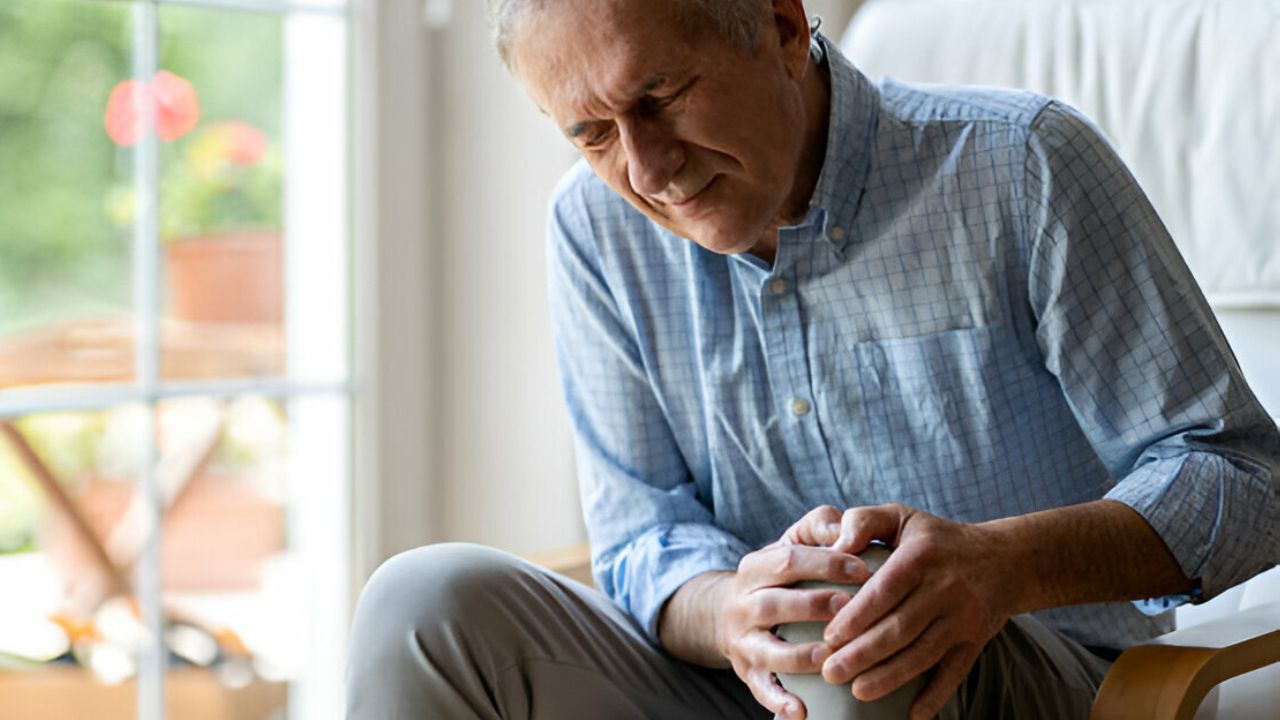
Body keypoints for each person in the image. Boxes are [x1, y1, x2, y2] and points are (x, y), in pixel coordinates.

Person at [345, 0, 1280, 718]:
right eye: (592, 134)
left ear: (782, 27)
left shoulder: (1020, 165)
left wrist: (1000, 564)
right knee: (425, 600)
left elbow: (1246, 480)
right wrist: (731, 613)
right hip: (749, 679)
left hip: (1033, 675)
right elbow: (642, 535)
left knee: (853, 619)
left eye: (658, 97)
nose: (647, 170)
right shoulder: (592, 231)